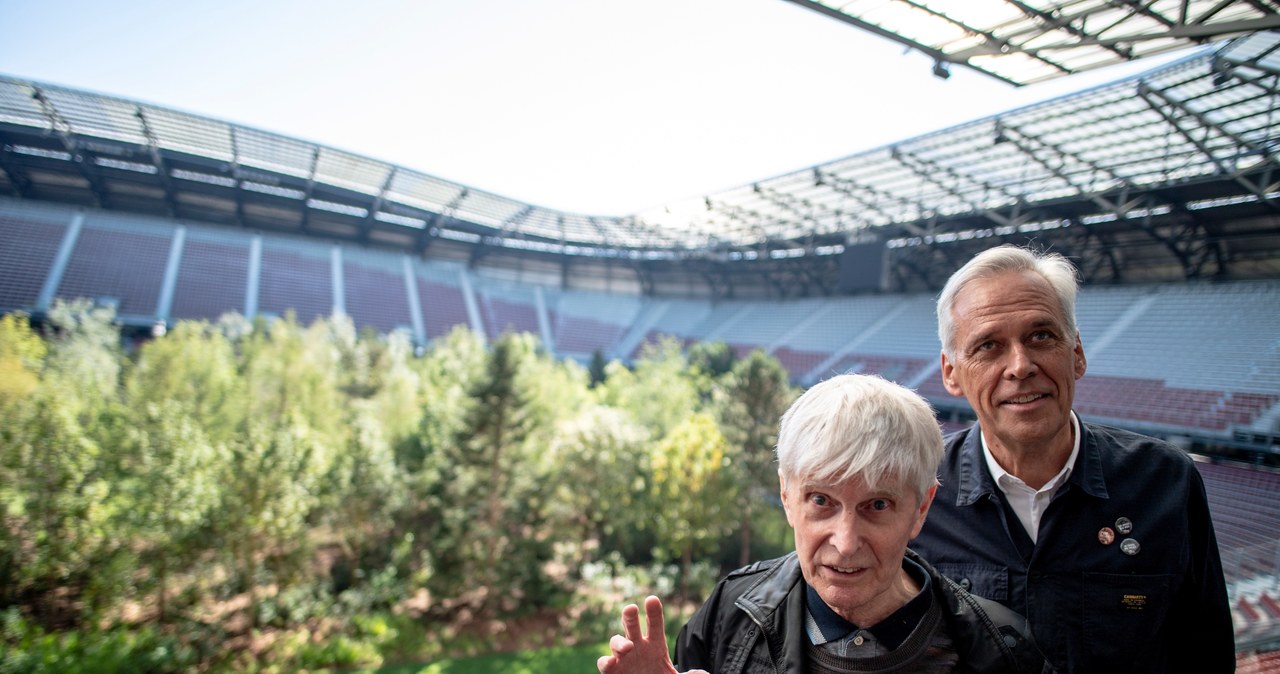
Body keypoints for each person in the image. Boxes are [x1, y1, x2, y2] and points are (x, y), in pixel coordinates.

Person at [911, 244, 1234, 673]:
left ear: (1076, 353)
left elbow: (1207, 654)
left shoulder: (1166, 482)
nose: (1020, 366)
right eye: (988, 346)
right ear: (951, 373)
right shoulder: (916, 491)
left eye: (1040, 336)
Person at [598, 373, 1053, 674]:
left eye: (877, 505)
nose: (846, 542)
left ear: (921, 508)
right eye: (821, 500)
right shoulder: (730, 611)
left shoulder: (1005, 649)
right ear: (786, 496)